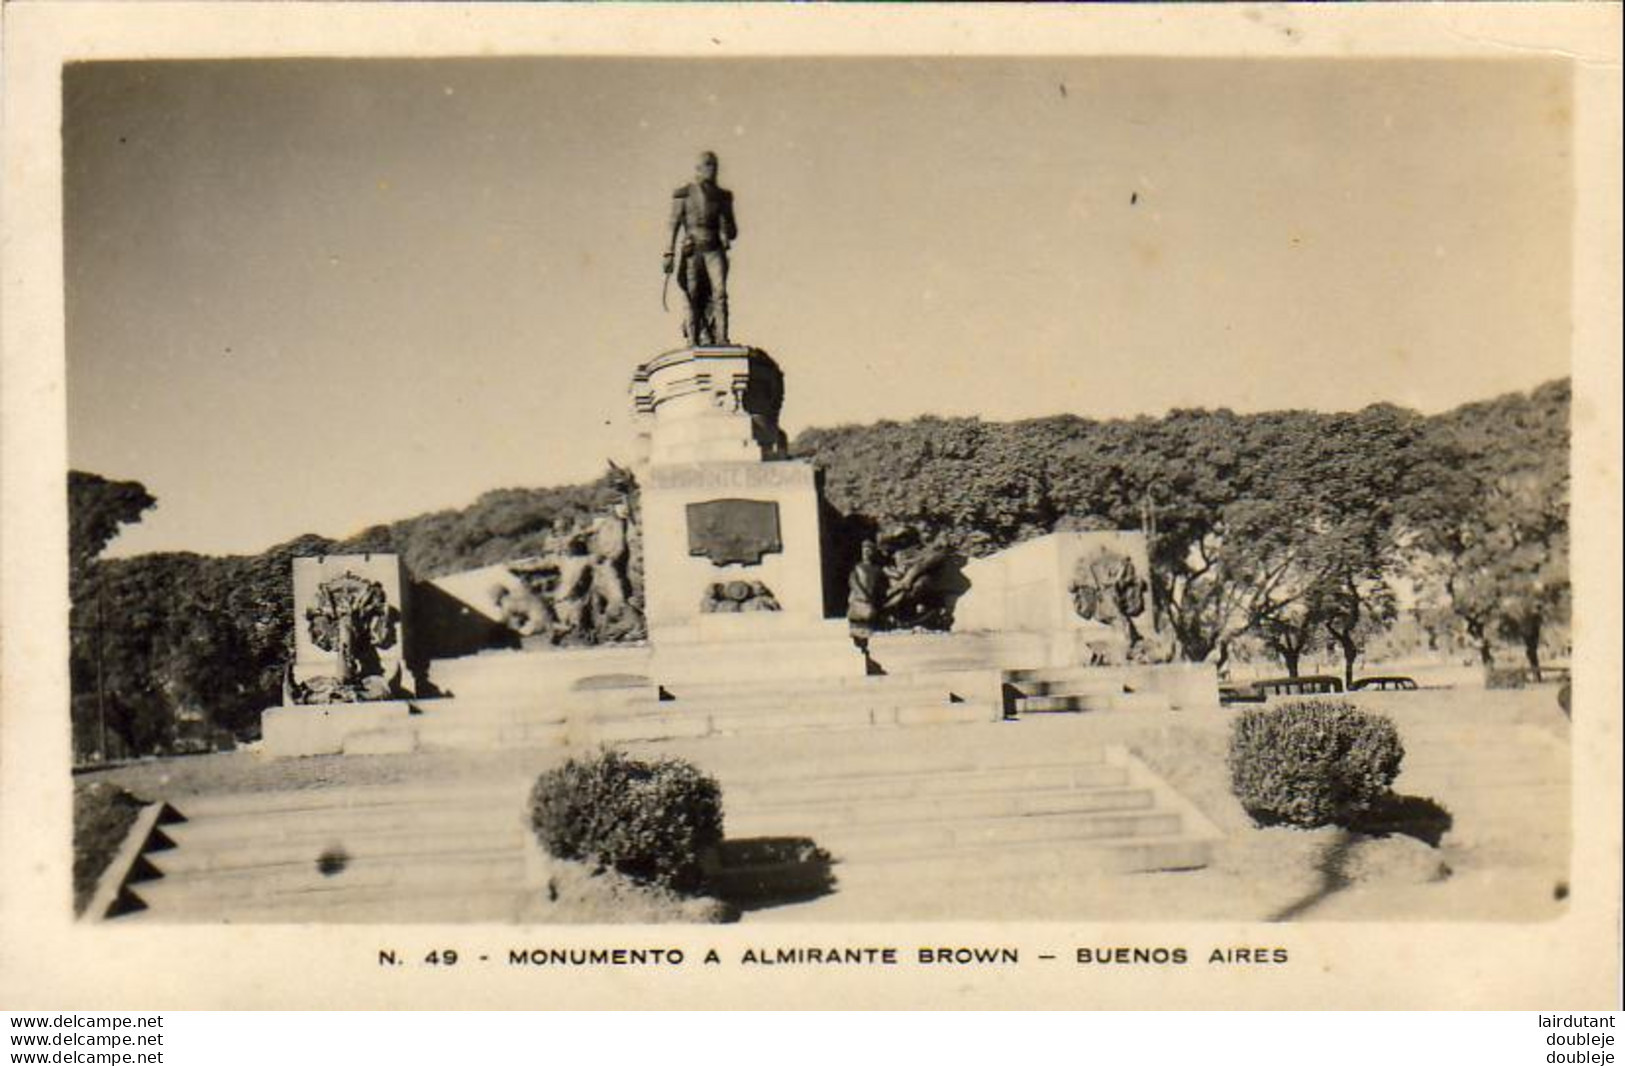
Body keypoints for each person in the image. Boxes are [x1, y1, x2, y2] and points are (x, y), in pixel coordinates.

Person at [664, 151, 738, 346]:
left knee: (719, 293)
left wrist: (726, 227)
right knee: (693, 294)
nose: (712, 169)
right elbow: (673, 224)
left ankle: (721, 337)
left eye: (714, 165)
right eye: (707, 165)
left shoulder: (723, 197)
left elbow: (732, 230)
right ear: (697, 169)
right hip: (693, 249)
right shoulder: (684, 193)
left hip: (714, 250)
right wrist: (669, 252)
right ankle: (693, 338)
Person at [847, 540, 887, 653]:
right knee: (858, 623)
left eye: (869, 549)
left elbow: (880, 587)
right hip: (859, 600)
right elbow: (853, 582)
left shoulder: (877, 570)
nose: (866, 552)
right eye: (864, 549)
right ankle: (859, 644)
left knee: (867, 626)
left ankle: (865, 647)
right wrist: (862, 595)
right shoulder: (857, 567)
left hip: (870, 602)